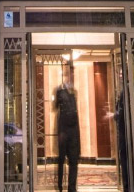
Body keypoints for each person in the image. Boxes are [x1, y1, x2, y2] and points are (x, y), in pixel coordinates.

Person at [54, 62, 80, 192]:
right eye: (70, 72)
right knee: (61, 159)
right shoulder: (60, 90)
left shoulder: (75, 92)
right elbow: (55, 107)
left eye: (73, 73)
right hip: (63, 131)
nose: (72, 75)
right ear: (66, 74)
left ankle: (72, 188)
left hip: (73, 132)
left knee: (73, 161)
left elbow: (76, 114)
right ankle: (59, 186)